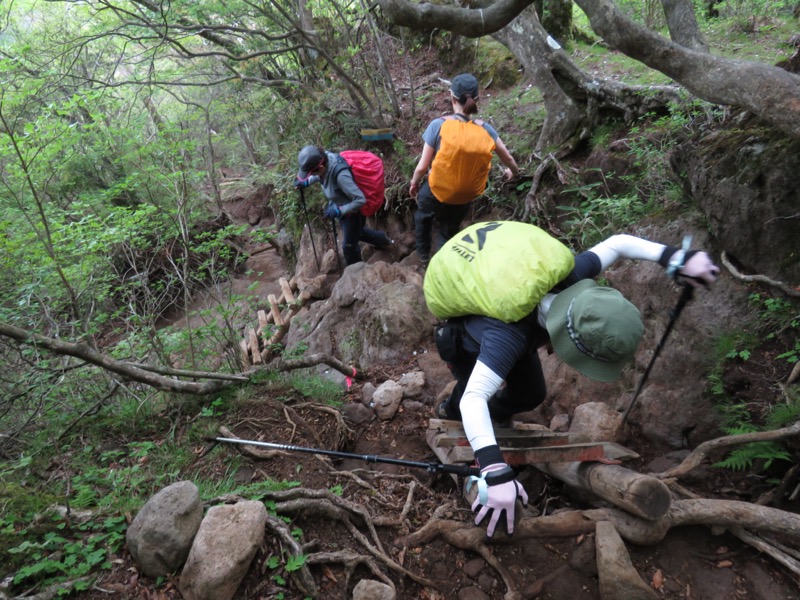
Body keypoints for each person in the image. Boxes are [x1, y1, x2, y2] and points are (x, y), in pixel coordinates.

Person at [424, 221, 720, 538]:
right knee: (470, 390)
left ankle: (491, 425)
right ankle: (449, 411)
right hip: (471, 326)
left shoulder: (575, 274)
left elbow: (618, 242)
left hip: (509, 302)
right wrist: (494, 470)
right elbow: (475, 398)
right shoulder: (507, 335)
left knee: (530, 393)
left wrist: (676, 257)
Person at [409, 73, 520, 266]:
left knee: (423, 216)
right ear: (476, 99)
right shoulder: (486, 130)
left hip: (437, 189)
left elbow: (422, 167)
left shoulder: (439, 125)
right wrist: (514, 172)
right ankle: (442, 264)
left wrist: (414, 183)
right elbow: (508, 157)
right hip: (465, 195)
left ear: (452, 98)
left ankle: (423, 256)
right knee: (448, 228)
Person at [295, 145, 393, 266]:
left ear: (320, 167)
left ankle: (356, 273)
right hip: (340, 207)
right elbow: (321, 175)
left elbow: (360, 200)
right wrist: (306, 181)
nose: (311, 175)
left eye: (312, 173)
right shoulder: (324, 159)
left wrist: (339, 211)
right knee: (359, 233)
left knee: (349, 245)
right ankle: (385, 241)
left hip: (352, 213)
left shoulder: (341, 176)